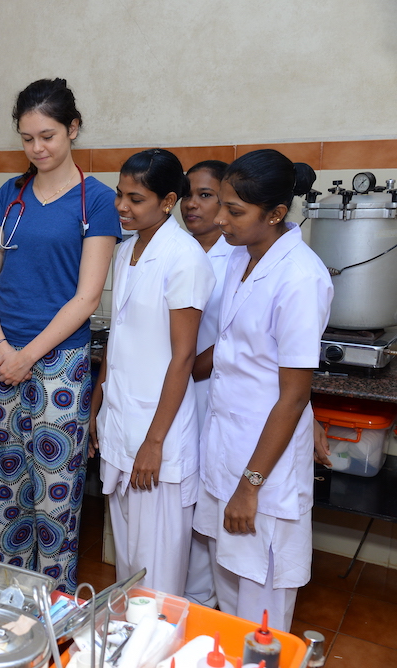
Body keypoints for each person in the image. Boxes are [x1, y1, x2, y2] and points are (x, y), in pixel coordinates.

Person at [0, 78, 121, 593]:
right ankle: (11, 607)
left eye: (48, 136)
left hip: (59, 365)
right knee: (5, 491)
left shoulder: (96, 201)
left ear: (73, 130)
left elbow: (86, 299)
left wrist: (28, 356)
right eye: (27, 137)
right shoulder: (11, 196)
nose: (37, 148)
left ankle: (54, 610)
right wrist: (0, 349)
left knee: (54, 498)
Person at [193, 149, 332, 629]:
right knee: (226, 586)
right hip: (226, 444)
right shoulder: (240, 257)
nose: (220, 219)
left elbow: (292, 392)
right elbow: (238, 346)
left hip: (261, 467)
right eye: (223, 205)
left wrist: (250, 487)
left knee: (261, 604)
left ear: (275, 214)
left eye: (235, 211)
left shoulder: (300, 278)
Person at [90, 149, 215, 596]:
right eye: (120, 195)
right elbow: (118, 340)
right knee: (127, 566)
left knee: (157, 579)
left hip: (157, 438)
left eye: (135, 199)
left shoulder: (184, 259)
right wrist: (97, 405)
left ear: (166, 201)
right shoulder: (125, 253)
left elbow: (183, 357)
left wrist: (154, 442)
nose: (122, 206)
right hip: (122, 424)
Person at [180, 159, 231, 607]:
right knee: (188, 500)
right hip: (182, 389)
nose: (192, 203)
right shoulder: (182, 249)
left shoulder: (234, 258)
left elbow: (234, 331)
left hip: (209, 388)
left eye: (206, 194)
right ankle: (190, 597)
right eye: (187, 194)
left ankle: (203, 601)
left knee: (206, 500)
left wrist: (187, 368)